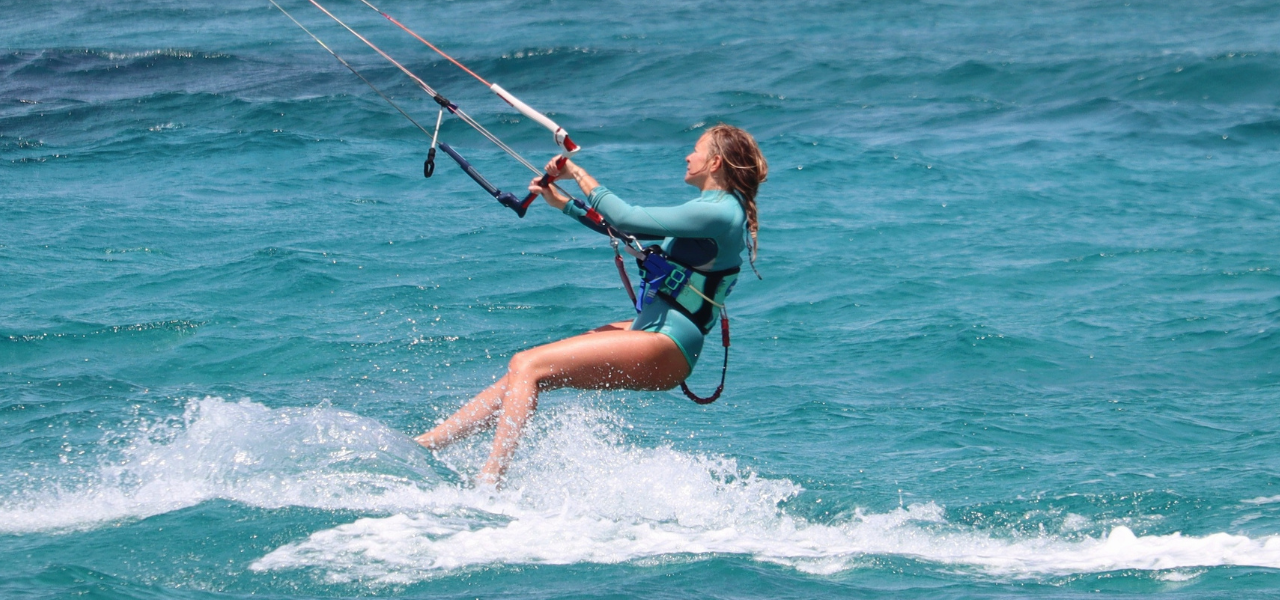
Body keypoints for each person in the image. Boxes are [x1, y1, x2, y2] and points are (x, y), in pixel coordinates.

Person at [414, 124, 767, 485]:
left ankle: (490, 481)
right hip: (655, 332)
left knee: (527, 363)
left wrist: (577, 173)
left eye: (695, 150)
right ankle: (427, 445)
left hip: (669, 343)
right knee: (525, 373)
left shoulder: (722, 212)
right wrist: (564, 204)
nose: (687, 156)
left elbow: (628, 217)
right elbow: (626, 231)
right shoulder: (710, 210)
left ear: (715, 163)